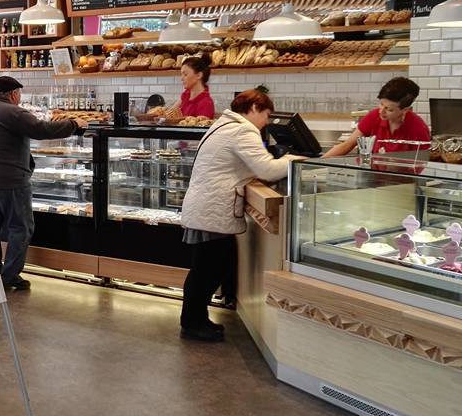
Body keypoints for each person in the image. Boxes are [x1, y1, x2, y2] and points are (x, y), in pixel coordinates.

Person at [179, 89, 301, 341]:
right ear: (254, 108)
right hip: (211, 208)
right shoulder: (243, 130)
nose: (266, 122)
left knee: (208, 267)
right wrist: (293, 159)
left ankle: (196, 319)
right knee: (208, 269)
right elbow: (267, 169)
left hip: (206, 206)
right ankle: (192, 324)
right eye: (266, 115)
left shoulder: (224, 124)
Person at [0, 76, 88, 290]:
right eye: (19, 94)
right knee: (21, 227)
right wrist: (73, 124)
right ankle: (10, 276)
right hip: (11, 180)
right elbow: (43, 130)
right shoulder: (13, 112)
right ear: (13, 94)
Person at [323, 77, 430, 157]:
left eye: (389, 109)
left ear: (405, 110)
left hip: (405, 179)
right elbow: (347, 145)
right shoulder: (374, 116)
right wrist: (319, 164)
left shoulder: (418, 128)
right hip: (374, 177)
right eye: (381, 104)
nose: (381, 111)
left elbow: (424, 163)